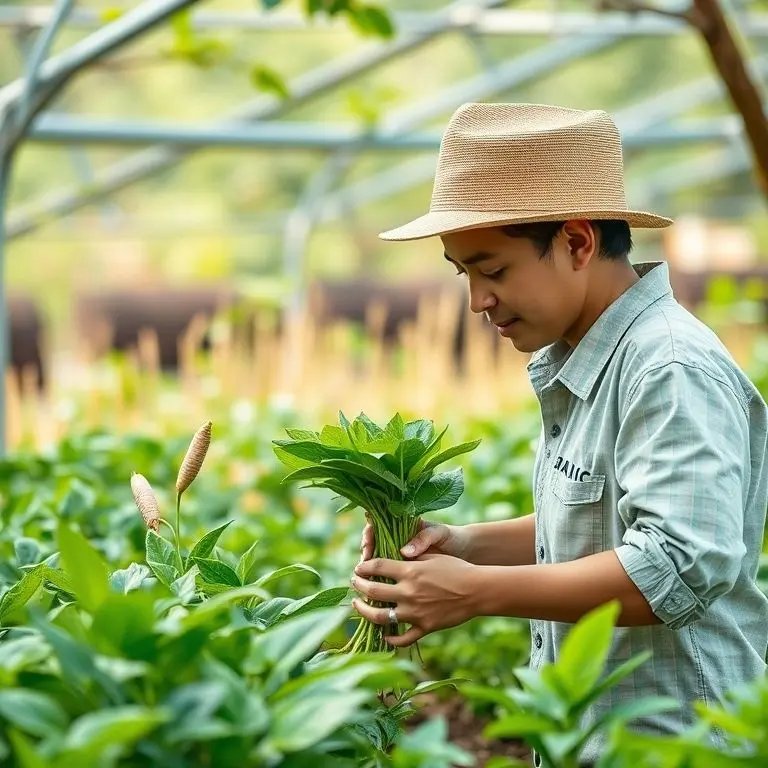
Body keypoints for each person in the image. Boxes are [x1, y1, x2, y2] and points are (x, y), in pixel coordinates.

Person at [348, 102, 768, 766]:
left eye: (493, 271)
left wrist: (476, 592)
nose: (478, 302)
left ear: (576, 242)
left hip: (677, 745)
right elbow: (603, 519)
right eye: (465, 275)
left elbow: (673, 568)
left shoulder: (668, 369)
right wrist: (466, 546)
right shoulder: (584, 358)